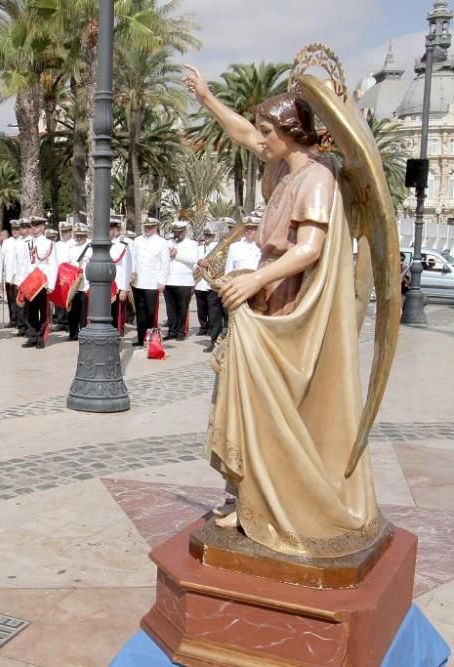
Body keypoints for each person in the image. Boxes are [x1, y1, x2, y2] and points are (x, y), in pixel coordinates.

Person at [184, 65, 388, 556]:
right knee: (243, 392)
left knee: (271, 400)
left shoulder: (316, 178)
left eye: (269, 132)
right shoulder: (283, 168)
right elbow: (241, 133)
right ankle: (246, 493)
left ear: (292, 134)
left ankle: (272, 500)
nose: (261, 140)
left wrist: (256, 277)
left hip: (291, 299)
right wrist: (208, 97)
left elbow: (309, 249)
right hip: (267, 291)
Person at [129, 218, 170, 348]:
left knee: (151, 313)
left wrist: (162, 281)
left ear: (156, 227)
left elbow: (165, 263)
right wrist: (132, 274)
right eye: (146, 227)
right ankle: (141, 338)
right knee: (140, 313)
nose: (148, 229)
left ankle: (152, 340)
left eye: (151, 227)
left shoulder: (161, 242)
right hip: (138, 282)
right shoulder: (137, 240)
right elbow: (133, 259)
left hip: (152, 283)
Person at [19, 217, 58, 349]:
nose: (33, 228)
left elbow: (53, 265)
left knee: (43, 310)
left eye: (36, 226)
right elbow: (24, 264)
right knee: (30, 310)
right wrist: (22, 282)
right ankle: (32, 336)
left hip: (42, 282)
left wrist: (51, 285)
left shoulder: (49, 244)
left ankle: (41, 337)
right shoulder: (28, 243)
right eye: (32, 226)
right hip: (30, 281)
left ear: (42, 227)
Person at [163, 220, 197, 341]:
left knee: (182, 308)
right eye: (175, 232)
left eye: (180, 232)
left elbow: (194, 259)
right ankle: (172, 331)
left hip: (184, 281)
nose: (177, 234)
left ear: (185, 231)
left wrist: (177, 254)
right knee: (170, 309)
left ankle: (181, 331)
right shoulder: (167, 243)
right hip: (169, 280)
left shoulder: (192, 244)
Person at [195, 228, 223, 353]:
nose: (207, 237)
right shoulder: (199, 248)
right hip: (208, 285)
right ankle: (214, 341)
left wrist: (211, 262)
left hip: (222, 283)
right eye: (206, 235)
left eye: (210, 235)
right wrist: (199, 261)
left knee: (226, 316)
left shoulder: (221, 247)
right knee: (214, 316)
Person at [66, 223, 92, 341]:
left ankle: (83, 332)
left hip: (85, 284)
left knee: (84, 311)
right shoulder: (71, 248)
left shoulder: (91, 248)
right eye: (77, 235)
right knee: (72, 310)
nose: (79, 237)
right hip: (73, 285)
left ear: (86, 235)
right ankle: (73, 333)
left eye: (81, 235)